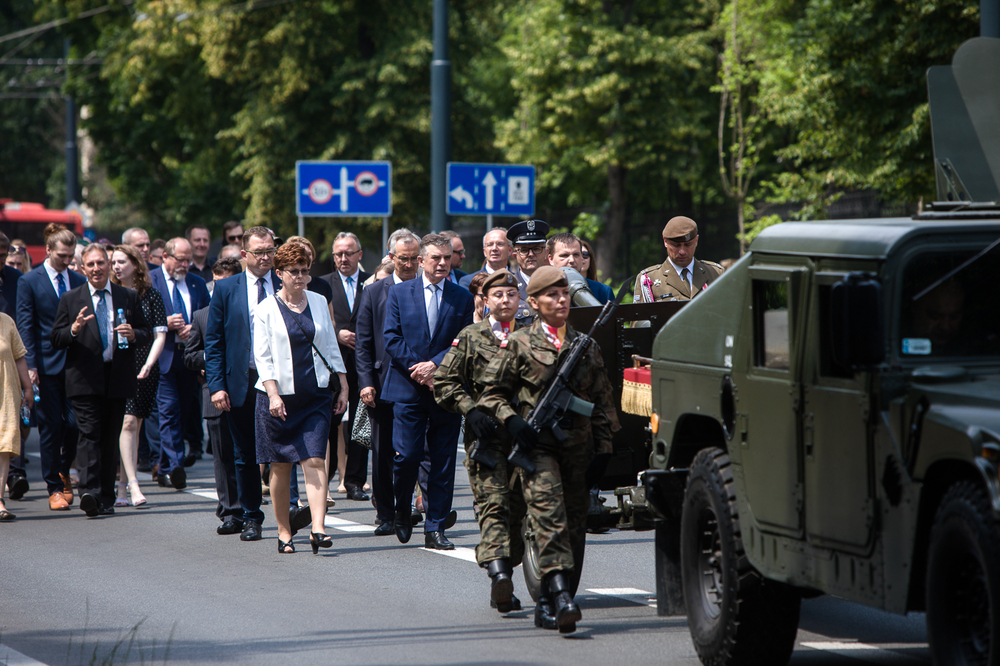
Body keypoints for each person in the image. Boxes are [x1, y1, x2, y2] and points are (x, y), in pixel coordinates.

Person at [478, 266, 619, 634]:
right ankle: (561, 596)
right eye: (552, 295)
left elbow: (603, 402)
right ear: (535, 302)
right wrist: (513, 421)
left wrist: (604, 450)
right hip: (537, 449)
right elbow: (491, 394)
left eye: (564, 294)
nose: (561, 301)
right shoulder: (520, 344)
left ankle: (546, 601)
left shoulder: (585, 345)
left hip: (578, 451)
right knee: (549, 516)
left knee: (573, 525)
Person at [434, 269, 528, 613]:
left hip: (525, 439)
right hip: (486, 442)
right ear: (485, 301)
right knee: (494, 507)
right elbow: (445, 382)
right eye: (498, 296)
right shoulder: (471, 336)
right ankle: (499, 576)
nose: (505, 301)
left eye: (511, 295)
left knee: (520, 513)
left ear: (520, 300)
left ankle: (506, 566)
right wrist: (470, 410)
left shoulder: (533, 336)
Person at [254, 243, 349, 554]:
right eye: (293, 271)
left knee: (315, 459)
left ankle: (319, 528)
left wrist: (344, 385)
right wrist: (272, 394)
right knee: (281, 466)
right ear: (279, 273)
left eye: (305, 271)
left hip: (316, 394)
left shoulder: (320, 301)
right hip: (279, 397)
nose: (301, 277)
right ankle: (283, 531)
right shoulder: (266, 308)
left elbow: (331, 345)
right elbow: (263, 357)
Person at [383, 233, 474, 550]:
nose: (443, 263)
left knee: (443, 460)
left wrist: (436, 365)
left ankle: (435, 526)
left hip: (445, 387)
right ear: (420, 261)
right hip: (408, 386)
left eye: (447, 258)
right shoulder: (399, 293)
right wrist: (420, 369)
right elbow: (391, 338)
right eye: (436, 258)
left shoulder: (461, 297)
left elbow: (463, 339)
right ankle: (402, 509)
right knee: (406, 456)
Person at [51, 244, 151, 517]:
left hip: (117, 377)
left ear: (109, 266)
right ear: (83, 269)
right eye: (91, 264)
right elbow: (56, 338)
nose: (96, 268)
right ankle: (89, 492)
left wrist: (134, 334)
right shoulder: (72, 299)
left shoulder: (126, 296)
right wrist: (73, 329)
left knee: (109, 438)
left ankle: (106, 497)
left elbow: (146, 332)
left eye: (101, 263)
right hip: (84, 379)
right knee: (89, 434)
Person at [205, 226, 279, 541]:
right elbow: (215, 341)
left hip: (281, 380)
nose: (265, 257)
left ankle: (288, 514)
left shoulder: (285, 282)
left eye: (270, 251)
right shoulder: (227, 289)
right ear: (244, 254)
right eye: (259, 252)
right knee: (245, 453)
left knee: (283, 451)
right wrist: (217, 385)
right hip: (242, 381)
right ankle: (250, 515)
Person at [356, 229, 422, 535]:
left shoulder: (428, 288)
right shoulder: (374, 291)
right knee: (382, 451)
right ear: (391, 256)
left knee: (416, 451)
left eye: (413, 259)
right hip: (383, 383)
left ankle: (410, 509)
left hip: (420, 380)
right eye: (402, 259)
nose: (408, 265)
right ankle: (385, 512)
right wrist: (366, 381)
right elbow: (364, 343)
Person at [16, 224, 85, 510]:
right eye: (62, 256)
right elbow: (26, 325)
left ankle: (63, 471)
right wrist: (29, 366)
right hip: (44, 365)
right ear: (48, 250)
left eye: (70, 256)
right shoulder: (30, 281)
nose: (67, 261)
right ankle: (54, 488)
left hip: (76, 365)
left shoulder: (78, 279)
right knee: (50, 426)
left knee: (74, 424)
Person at [185, 258, 244, 533]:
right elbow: (190, 356)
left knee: (247, 454)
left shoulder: (248, 312)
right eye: (216, 283)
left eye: (227, 282)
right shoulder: (202, 316)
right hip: (214, 393)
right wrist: (211, 356)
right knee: (223, 457)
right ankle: (231, 510)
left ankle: (249, 506)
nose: (220, 288)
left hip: (246, 391)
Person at [109, 245, 167, 507]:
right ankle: (132, 484)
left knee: (135, 425)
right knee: (127, 424)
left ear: (136, 263)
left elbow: (160, 335)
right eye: (114, 262)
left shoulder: (151, 295)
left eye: (122, 261)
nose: (116, 267)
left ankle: (121, 485)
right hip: (118, 366)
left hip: (145, 367)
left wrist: (149, 364)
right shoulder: (109, 294)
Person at [150, 238, 210, 487]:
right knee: (169, 411)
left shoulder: (196, 283)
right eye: (180, 259)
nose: (186, 264)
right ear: (165, 257)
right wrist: (166, 323)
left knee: (182, 412)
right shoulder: (151, 280)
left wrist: (192, 330)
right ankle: (176, 466)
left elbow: (208, 317)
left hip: (189, 358)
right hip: (163, 356)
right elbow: (142, 316)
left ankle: (164, 467)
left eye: (188, 259)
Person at [321, 232, 371, 502]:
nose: (344, 258)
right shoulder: (324, 284)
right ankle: (323, 481)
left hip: (362, 365)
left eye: (349, 253)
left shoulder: (372, 283)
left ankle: (354, 481)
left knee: (360, 424)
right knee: (328, 423)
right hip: (333, 365)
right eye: (339, 254)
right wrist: (337, 332)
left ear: (359, 255)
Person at [633, 216, 724, 303]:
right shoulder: (649, 279)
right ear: (665, 241)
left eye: (688, 245)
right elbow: (640, 318)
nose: (682, 251)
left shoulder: (715, 273)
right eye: (676, 245)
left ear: (696, 240)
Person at [0, 308, 32, 521]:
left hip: (6, 393)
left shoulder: (6, 321)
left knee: (3, 444)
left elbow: (19, 356)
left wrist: (27, 387)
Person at [546, 233, 614, 304]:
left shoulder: (603, 291)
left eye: (576, 255)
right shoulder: (539, 289)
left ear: (581, 257)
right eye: (564, 255)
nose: (572, 260)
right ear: (551, 259)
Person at [506, 219, 550, 326]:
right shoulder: (507, 287)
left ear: (546, 253)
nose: (531, 254)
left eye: (537, 248)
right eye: (524, 250)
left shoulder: (559, 286)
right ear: (515, 256)